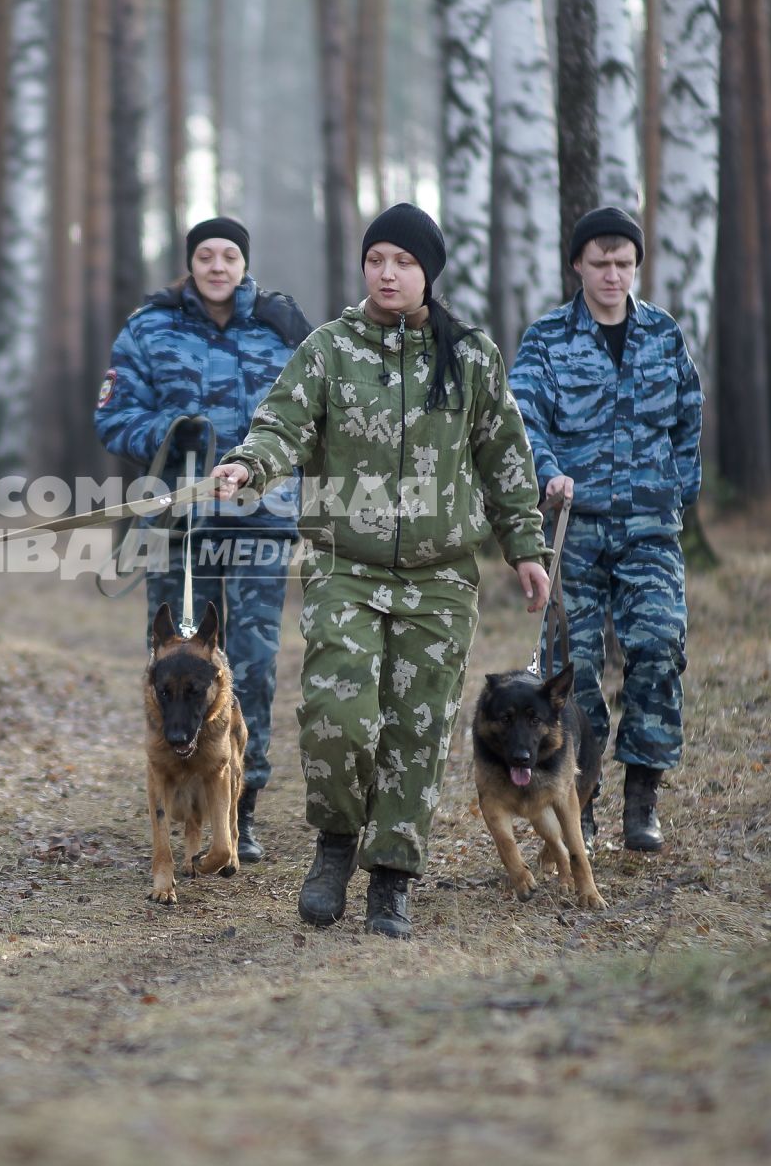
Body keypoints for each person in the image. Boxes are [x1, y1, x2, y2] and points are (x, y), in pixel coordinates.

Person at [211, 202, 550, 937]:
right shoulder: (331, 349)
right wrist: (248, 465)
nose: (387, 274)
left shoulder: (472, 357)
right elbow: (282, 423)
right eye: (376, 260)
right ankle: (335, 847)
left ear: (428, 272)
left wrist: (527, 549)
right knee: (338, 718)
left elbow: (505, 458)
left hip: (439, 575)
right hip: (346, 567)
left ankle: (392, 877)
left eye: (402, 261)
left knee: (414, 731)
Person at [96, 216, 312, 865]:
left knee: (248, 662)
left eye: (229, 256)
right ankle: (175, 802)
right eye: (206, 256)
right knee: (175, 672)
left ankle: (239, 808)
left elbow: (312, 416)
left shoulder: (282, 330)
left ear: (245, 264)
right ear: (190, 264)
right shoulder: (149, 328)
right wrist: (168, 432)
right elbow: (112, 416)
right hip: (175, 519)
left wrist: (262, 466)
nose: (218, 266)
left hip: (258, 519)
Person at [507, 206, 702, 853]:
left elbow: (688, 418)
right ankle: (577, 801)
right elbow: (522, 421)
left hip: (649, 528)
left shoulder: (663, 336)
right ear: (578, 267)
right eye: (600, 263)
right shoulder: (547, 340)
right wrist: (550, 471)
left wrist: (679, 491)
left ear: (636, 267)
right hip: (575, 529)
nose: (613, 275)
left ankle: (642, 793)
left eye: (624, 264)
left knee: (658, 646)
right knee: (572, 670)